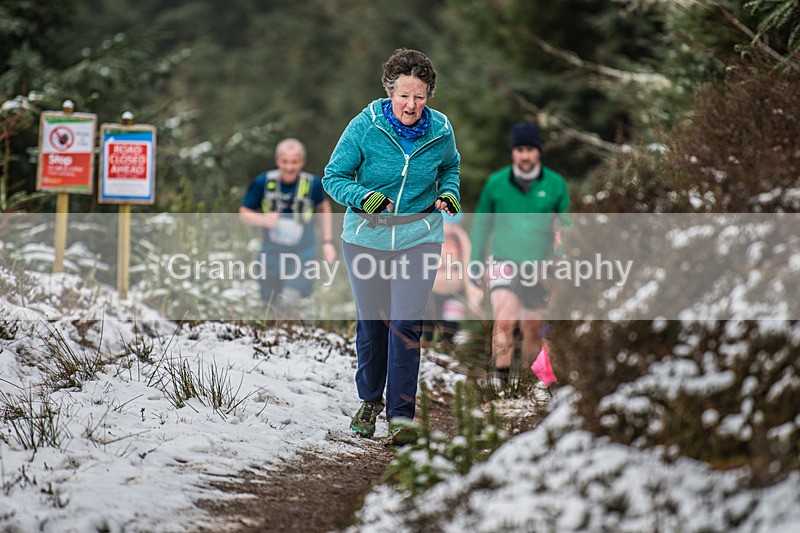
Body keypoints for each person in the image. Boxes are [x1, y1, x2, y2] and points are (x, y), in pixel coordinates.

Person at [323, 48, 461, 444]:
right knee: (373, 325)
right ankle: (369, 400)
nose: (410, 105)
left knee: (405, 324)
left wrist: (448, 192)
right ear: (390, 92)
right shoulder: (365, 126)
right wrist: (363, 197)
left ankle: (401, 415)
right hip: (366, 236)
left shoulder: (441, 130)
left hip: (420, 236)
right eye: (403, 95)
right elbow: (333, 177)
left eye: (419, 96)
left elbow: (450, 166)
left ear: (429, 95)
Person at [469, 122, 569, 384]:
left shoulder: (555, 184)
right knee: (503, 322)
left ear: (538, 151)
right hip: (504, 262)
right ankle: (501, 382)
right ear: (513, 152)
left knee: (533, 329)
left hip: (540, 266)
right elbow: (482, 225)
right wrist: (476, 264)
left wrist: (566, 254)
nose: (525, 155)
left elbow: (568, 223)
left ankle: (527, 382)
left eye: (530, 149)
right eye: (520, 149)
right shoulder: (496, 183)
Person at [239, 138, 336, 315]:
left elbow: (324, 207)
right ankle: (275, 338)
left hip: (303, 254)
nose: (289, 167)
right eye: (285, 161)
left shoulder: (311, 183)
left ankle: (289, 336)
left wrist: (327, 242)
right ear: (277, 161)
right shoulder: (263, 182)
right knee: (269, 305)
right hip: (270, 254)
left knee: (289, 299)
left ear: (302, 162)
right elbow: (243, 212)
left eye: (294, 162)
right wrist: (263, 220)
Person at [421, 211, 477, 349]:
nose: (452, 228)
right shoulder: (433, 240)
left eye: (456, 225)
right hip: (432, 293)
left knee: (449, 330)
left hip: (453, 293)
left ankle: (446, 350)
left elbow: (467, 263)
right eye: (449, 224)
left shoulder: (459, 244)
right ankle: (425, 350)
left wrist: (462, 236)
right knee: (426, 328)